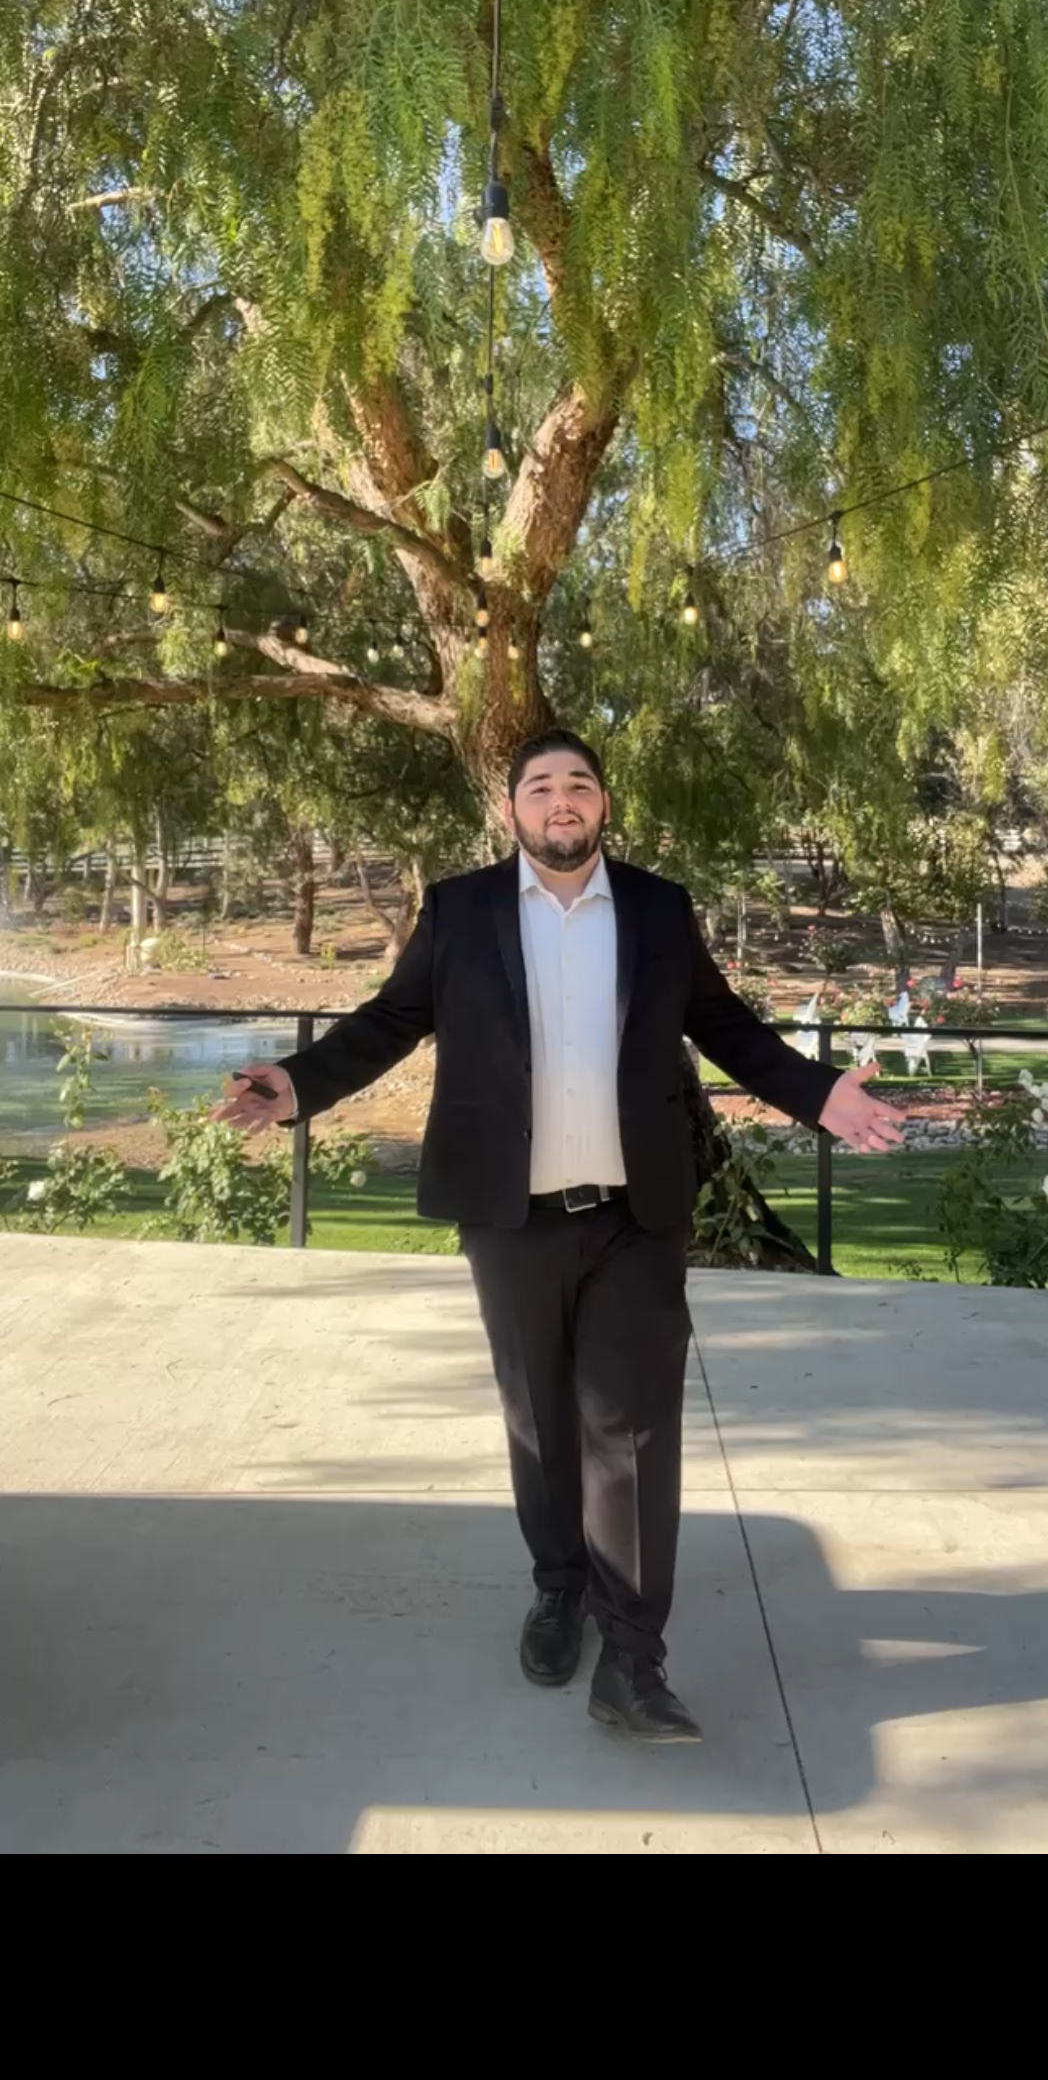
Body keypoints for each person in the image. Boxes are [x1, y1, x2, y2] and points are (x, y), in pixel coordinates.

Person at [214, 731, 902, 1743]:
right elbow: (390, 1021)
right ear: (513, 812)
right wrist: (296, 1083)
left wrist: (817, 1093)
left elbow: (725, 1025)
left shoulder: (657, 909)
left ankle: (633, 1657)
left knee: (634, 1431)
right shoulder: (462, 910)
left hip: (634, 1218)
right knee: (540, 1423)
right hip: (511, 1217)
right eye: (540, 786)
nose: (561, 798)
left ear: (604, 805)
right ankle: (559, 1584)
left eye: (579, 783)